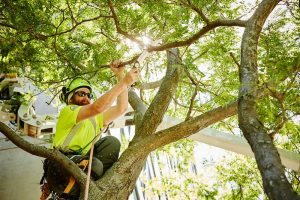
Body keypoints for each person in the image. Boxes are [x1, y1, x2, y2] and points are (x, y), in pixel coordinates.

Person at [45, 61, 139, 199]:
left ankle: (89, 188)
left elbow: (121, 108)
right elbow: (97, 107)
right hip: (61, 166)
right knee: (95, 165)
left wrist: (120, 76)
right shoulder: (69, 111)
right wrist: (124, 82)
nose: (86, 98)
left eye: (89, 95)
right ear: (71, 98)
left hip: (82, 167)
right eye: (81, 93)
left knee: (111, 143)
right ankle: (68, 192)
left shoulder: (96, 119)